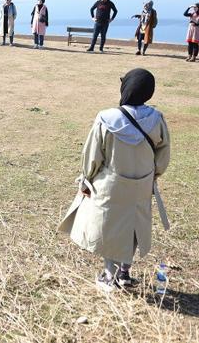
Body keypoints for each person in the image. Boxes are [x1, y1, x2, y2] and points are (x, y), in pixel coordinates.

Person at [59, 68, 171, 292]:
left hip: (110, 184)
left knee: (110, 228)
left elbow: (92, 156)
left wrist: (87, 179)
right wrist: (151, 176)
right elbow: (163, 155)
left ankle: (109, 276)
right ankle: (124, 273)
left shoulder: (106, 118)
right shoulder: (157, 119)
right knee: (134, 227)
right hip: (142, 184)